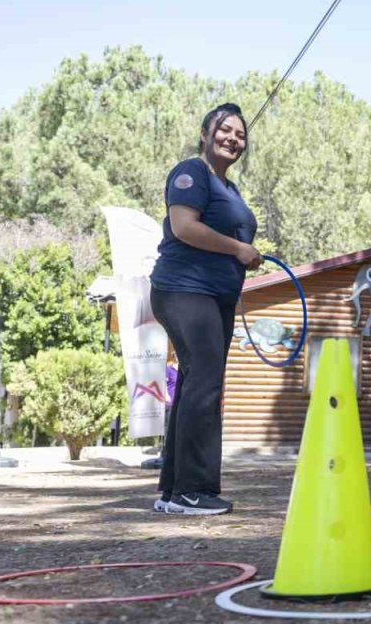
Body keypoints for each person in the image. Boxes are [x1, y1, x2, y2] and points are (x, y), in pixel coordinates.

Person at [149, 102, 261, 515]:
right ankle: (194, 489)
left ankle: (173, 490)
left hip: (216, 296)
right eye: (225, 129)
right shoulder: (191, 172)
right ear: (204, 132)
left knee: (198, 382)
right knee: (206, 380)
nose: (233, 138)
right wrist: (238, 248)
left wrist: (243, 258)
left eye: (240, 134)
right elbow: (183, 227)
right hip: (183, 290)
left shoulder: (229, 189)